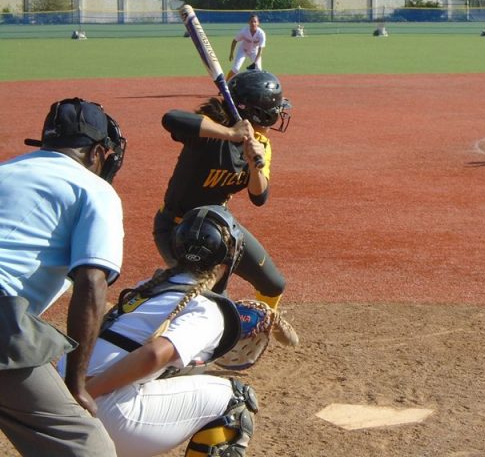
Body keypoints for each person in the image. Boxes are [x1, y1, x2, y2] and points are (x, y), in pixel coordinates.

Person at [66, 205, 260, 457]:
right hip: (95, 410)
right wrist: (82, 398)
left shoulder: (148, 288)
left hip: (59, 396)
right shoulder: (206, 308)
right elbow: (153, 355)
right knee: (237, 401)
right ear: (228, 260)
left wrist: (67, 400)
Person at [0, 97, 126, 456]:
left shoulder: (6, 170)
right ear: (98, 153)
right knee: (89, 448)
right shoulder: (94, 189)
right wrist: (75, 383)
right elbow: (91, 283)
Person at [153, 69, 298, 349]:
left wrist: (254, 162)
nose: (280, 114)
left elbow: (259, 197)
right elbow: (170, 118)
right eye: (276, 109)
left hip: (220, 229)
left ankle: (263, 323)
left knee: (273, 284)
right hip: (178, 230)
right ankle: (168, 307)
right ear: (264, 114)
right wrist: (230, 133)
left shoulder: (261, 145)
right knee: (214, 304)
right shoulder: (210, 131)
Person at [228, 13, 266, 80]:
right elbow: (234, 41)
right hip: (243, 50)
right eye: (251, 21)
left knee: (258, 70)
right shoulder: (244, 31)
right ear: (248, 22)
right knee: (235, 69)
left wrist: (255, 62)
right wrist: (231, 53)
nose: (253, 23)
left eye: (255, 22)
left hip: (255, 52)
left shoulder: (261, 34)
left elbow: (260, 50)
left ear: (258, 23)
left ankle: (257, 87)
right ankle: (225, 85)